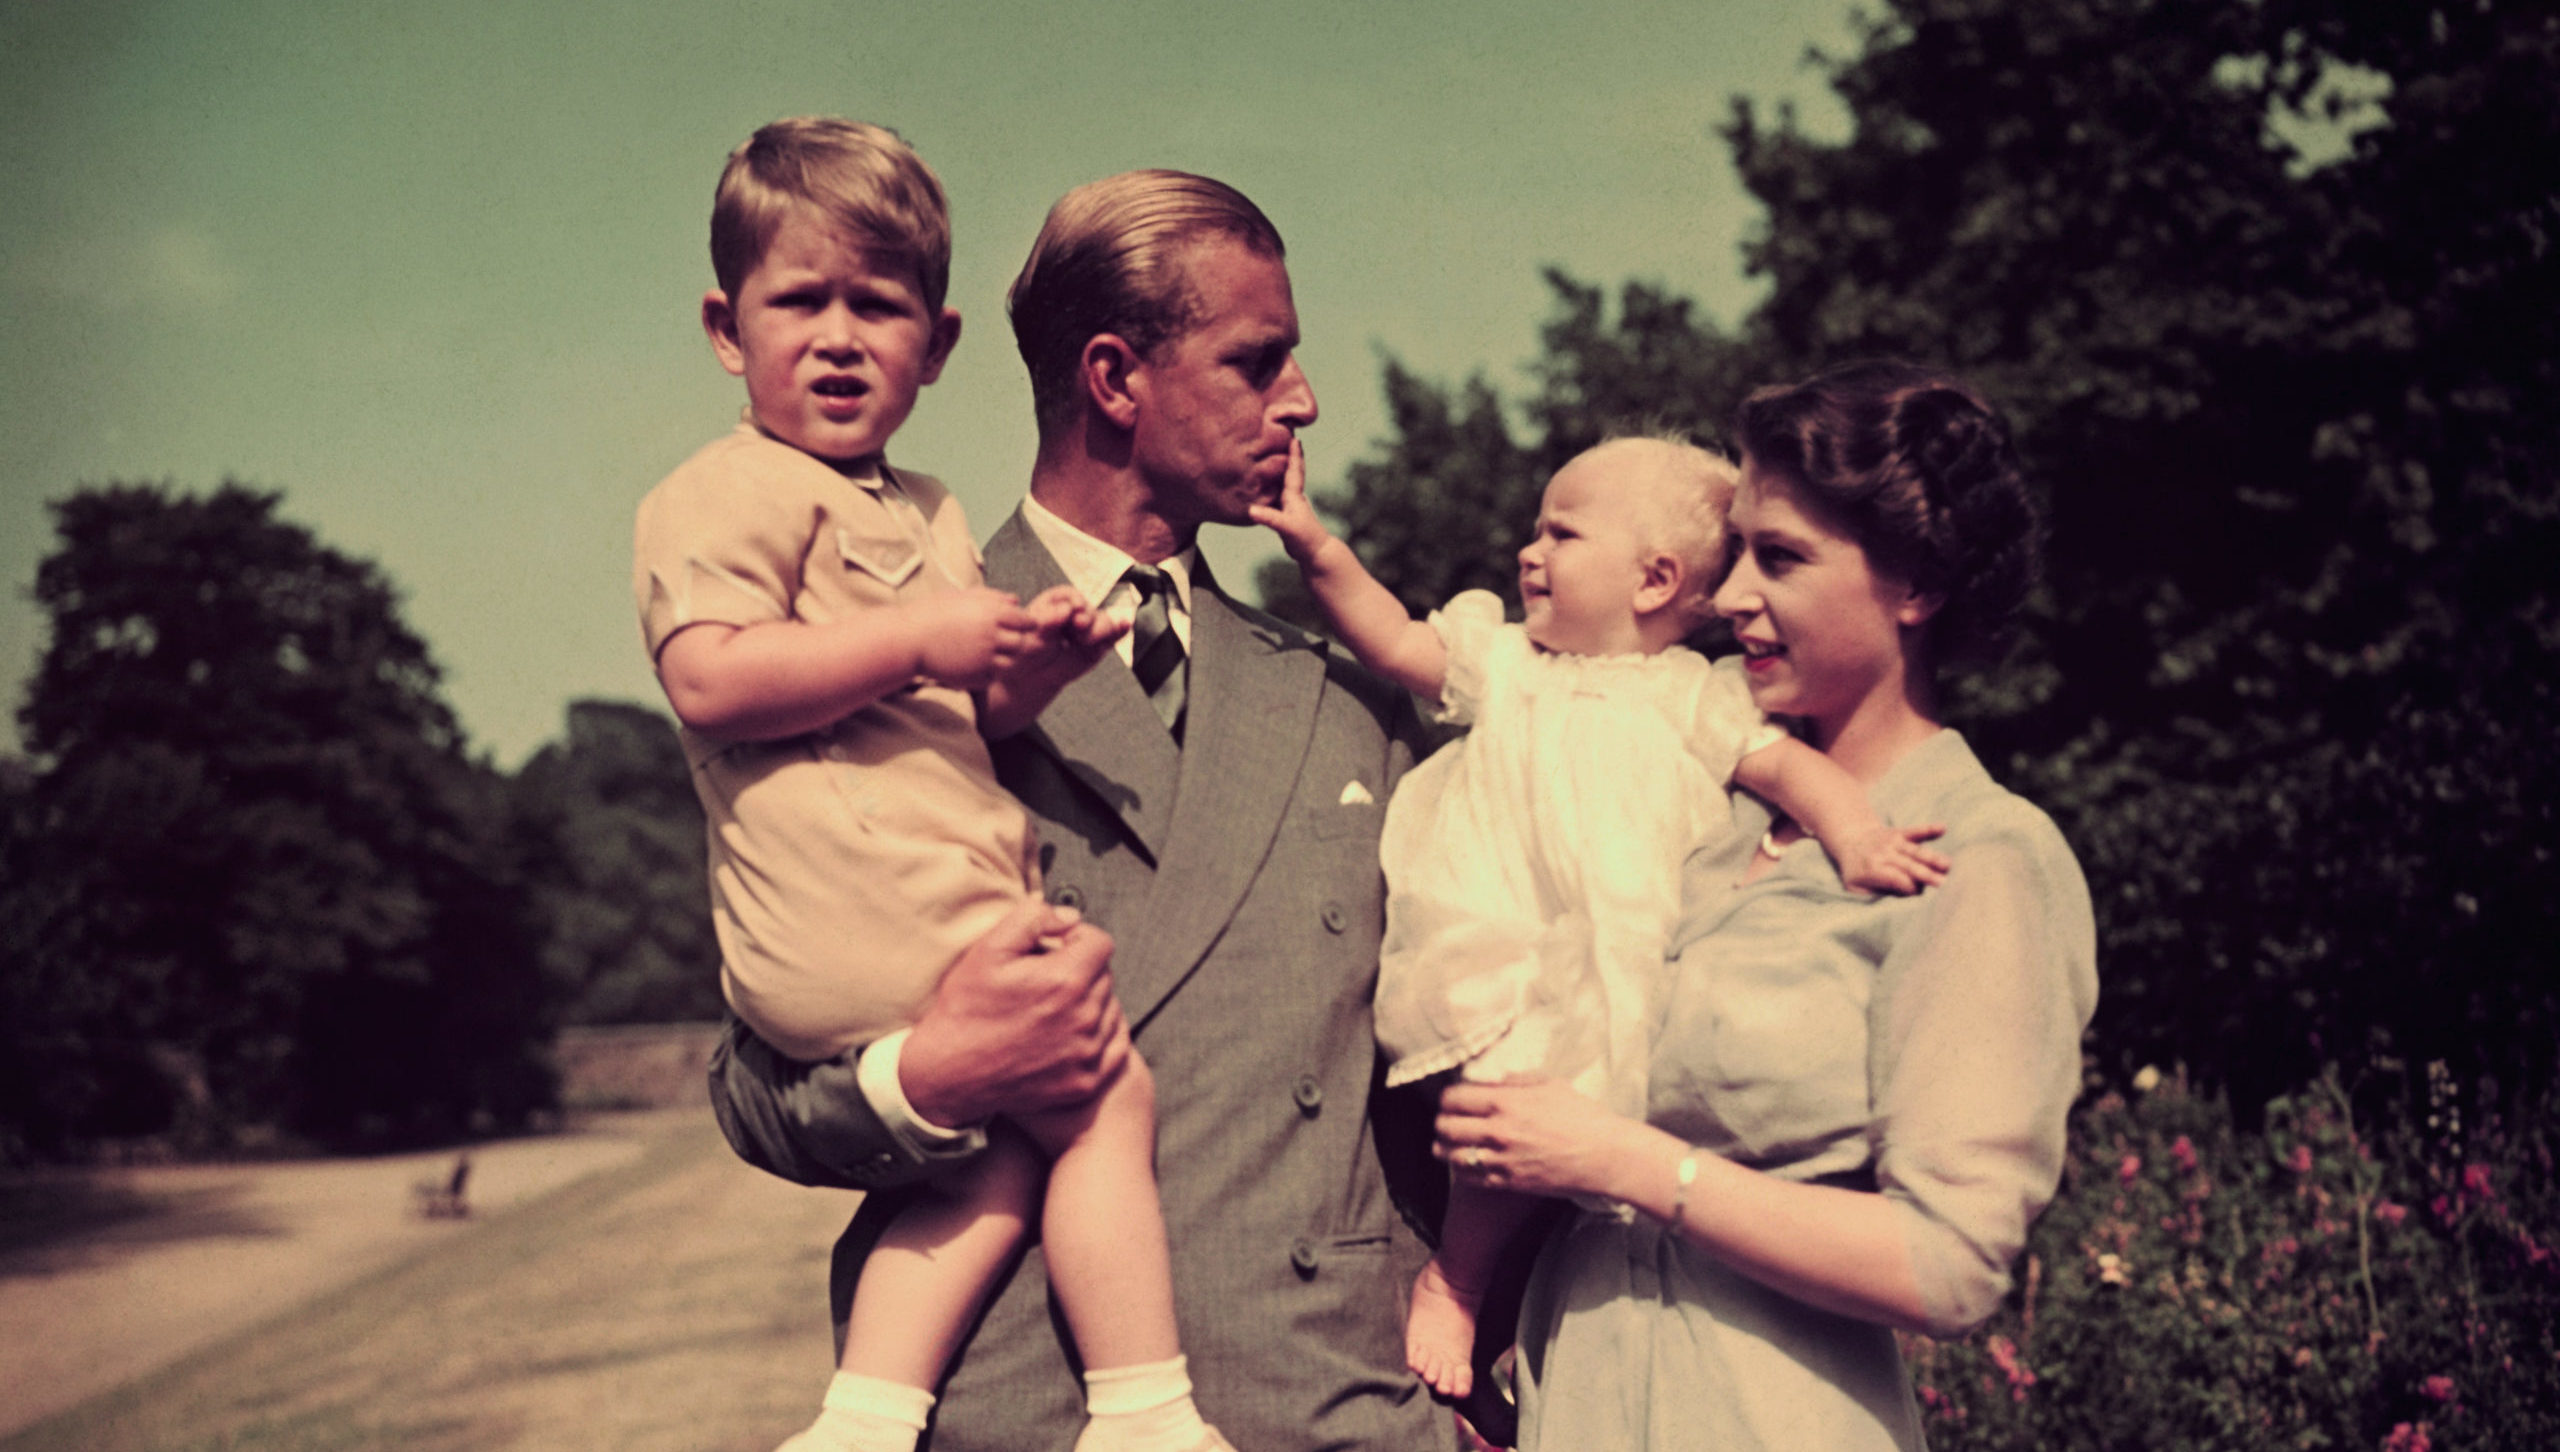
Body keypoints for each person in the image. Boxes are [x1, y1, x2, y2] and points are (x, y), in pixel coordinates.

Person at [703, 168, 1456, 1452]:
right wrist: (931, 1076)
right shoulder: (856, 662)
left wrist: (1469, 1340)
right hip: (1020, 1414)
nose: (1305, 402)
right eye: (1257, 360)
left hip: (1328, 1408)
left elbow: (1447, 1071)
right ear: (1114, 379)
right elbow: (756, 1089)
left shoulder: (1343, 700)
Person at [634, 119, 1227, 1452]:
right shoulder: (719, 495)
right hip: (857, 917)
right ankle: (1146, 1412)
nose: (839, 338)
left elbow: (964, 709)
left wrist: (1034, 667)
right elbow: (710, 682)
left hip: (916, 906)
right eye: (802, 303)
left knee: (1017, 1146)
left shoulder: (927, 509)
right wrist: (920, 636)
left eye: (878, 308)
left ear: (937, 346)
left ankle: (862, 1418)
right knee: (1104, 1092)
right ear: (729, 331)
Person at [1431, 361, 2099, 1450]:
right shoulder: (1690, 820)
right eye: (1733, 550)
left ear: (1915, 587)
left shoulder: (1982, 857)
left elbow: (1950, 1263)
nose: (1730, 593)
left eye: (1780, 557)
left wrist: (1624, 1162)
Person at [1251, 432, 1951, 1404]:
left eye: (1560, 534)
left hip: (1621, 964)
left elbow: (1789, 769)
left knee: (1584, 1146)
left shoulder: (1689, 698)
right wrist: (1317, 548)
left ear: (1654, 578)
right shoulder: (1507, 664)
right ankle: (1453, 1281)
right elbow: (1395, 640)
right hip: (1493, 946)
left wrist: (1858, 836)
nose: (1528, 553)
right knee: (1510, 1105)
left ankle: (1513, 1332)